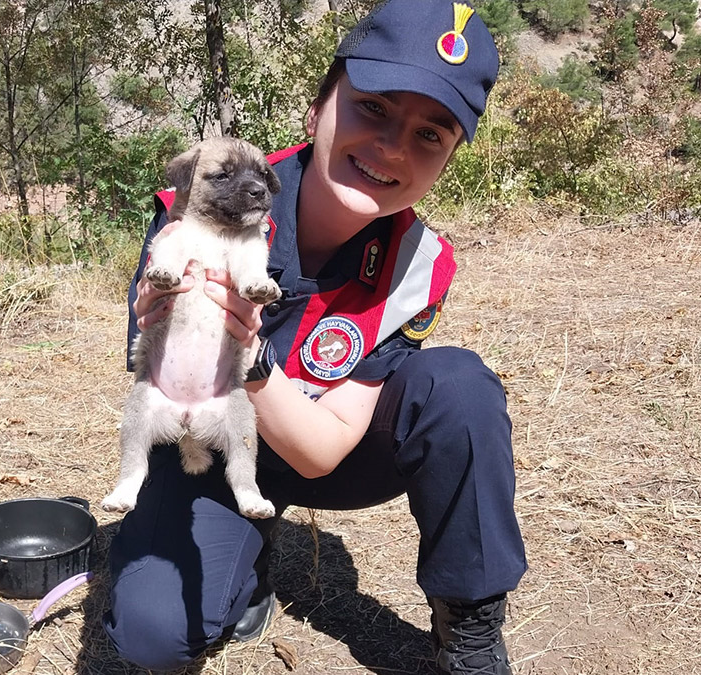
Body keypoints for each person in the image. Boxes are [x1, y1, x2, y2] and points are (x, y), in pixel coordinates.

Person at [102, 0, 527, 673]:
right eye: (374, 108)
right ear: (318, 107)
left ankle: (469, 628)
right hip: (211, 447)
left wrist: (249, 357)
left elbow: (322, 450)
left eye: (429, 135)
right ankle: (246, 568)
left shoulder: (419, 264)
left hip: (325, 446)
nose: (392, 147)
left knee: (459, 390)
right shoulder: (206, 204)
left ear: (447, 158)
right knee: (151, 633)